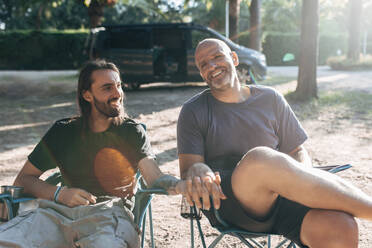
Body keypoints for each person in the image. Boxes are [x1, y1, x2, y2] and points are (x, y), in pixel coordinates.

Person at [177, 38, 372, 248]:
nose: (211, 66)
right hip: (230, 203)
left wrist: (303, 180)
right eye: (203, 64)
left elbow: (297, 150)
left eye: (217, 57)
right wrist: (198, 168)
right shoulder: (193, 111)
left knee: (340, 227)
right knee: (260, 159)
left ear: (234, 58)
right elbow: (189, 170)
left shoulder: (270, 98)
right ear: (201, 73)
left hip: (283, 200)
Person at [0, 60, 188, 248]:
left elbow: (154, 177)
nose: (117, 94)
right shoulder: (63, 132)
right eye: (107, 88)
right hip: (55, 214)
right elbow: (24, 179)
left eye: (119, 86)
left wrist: (181, 185)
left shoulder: (131, 132)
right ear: (87, 95)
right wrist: (59, 193)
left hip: (108, 215)